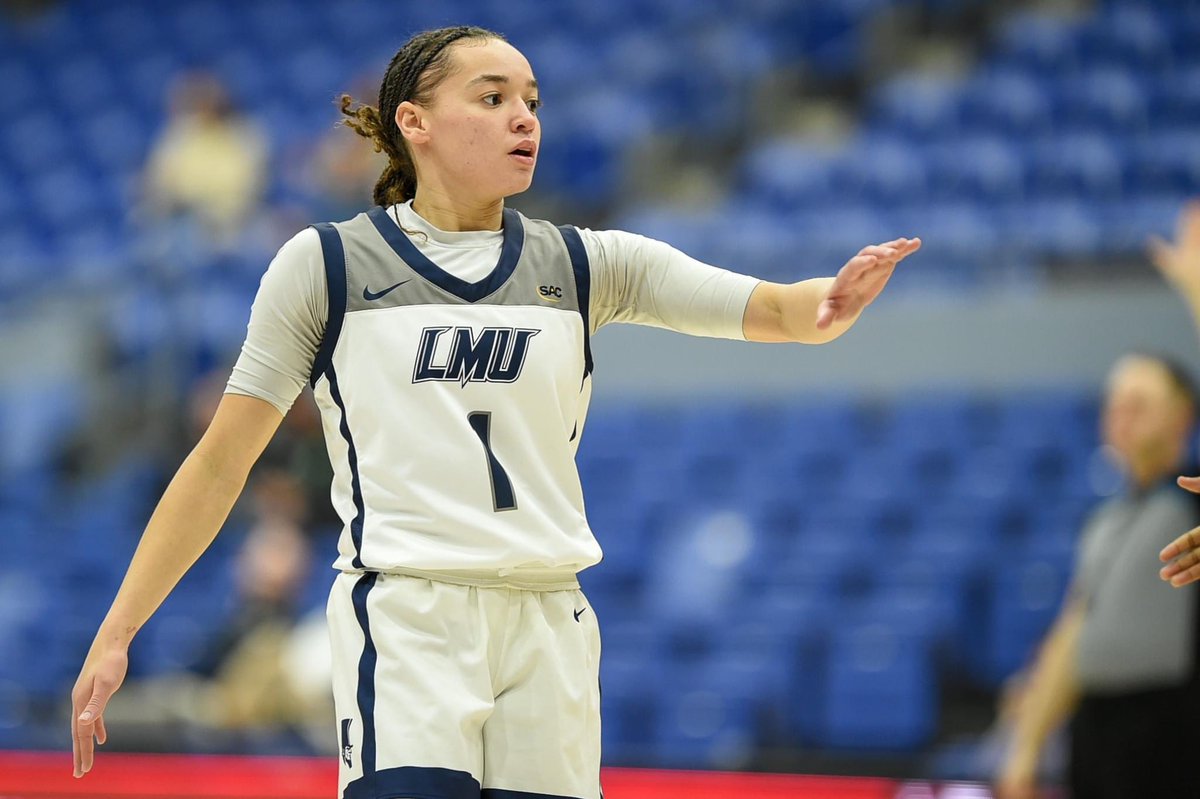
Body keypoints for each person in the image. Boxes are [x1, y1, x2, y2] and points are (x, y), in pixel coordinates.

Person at [70, 26, 921, 797]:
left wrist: (829, 303)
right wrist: (119, 629)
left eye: (533, 102)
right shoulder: (324, 264)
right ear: (415, 121)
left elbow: (772, 308)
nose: (526, 118)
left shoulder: (586, 262)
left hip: (549, 618)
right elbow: (221, 461)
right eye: (494, 97)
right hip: (407, 617)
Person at [997, 202, 1200, 799]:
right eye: (1114, 404)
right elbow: (1074, 635)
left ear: (1182, 416)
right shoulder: (1108, 518)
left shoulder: (1191, 497)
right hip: (1099, 740)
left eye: (1140, 403)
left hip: (1176, 738)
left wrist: (1195, 297)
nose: (1121, 418)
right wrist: (1026, 747)